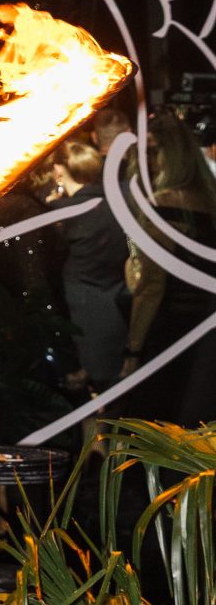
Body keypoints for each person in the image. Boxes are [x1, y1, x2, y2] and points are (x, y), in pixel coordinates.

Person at [119, 110, 216, 426]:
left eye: (152, 151)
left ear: (170, 153)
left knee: (152, 428)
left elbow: (151, 286)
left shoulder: (166, 203)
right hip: (205, 329)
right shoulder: (209, 200)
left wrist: (133, 352)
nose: (146, 161)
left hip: (171, 329)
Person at [49, 130, 131, 388]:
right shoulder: (116, 205)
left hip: (79, 306)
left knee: (89, 381)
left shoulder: (59, 212)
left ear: (59, 170)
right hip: (116, 300)